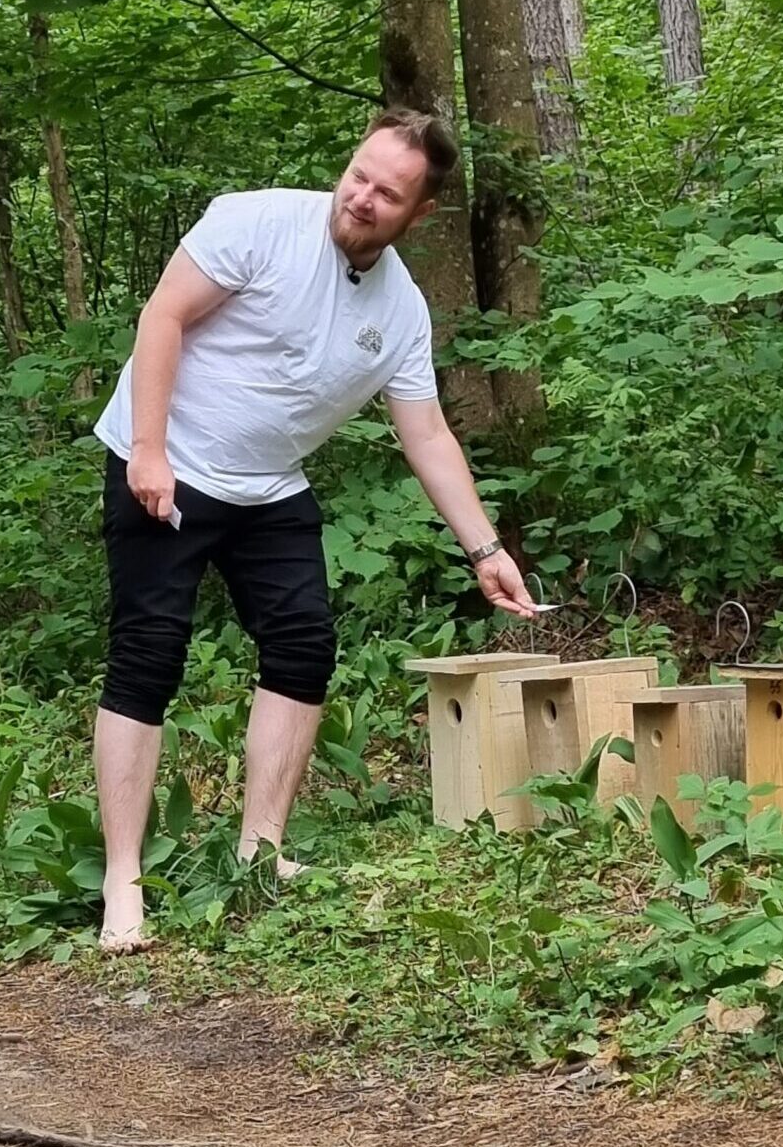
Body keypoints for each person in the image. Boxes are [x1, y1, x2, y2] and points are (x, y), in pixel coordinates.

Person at [91, 109, 538, 949]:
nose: (362, 198)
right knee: (149, 655)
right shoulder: (257, 222)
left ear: (419, 213)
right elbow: (162, 318)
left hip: (268, 487)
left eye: (388, 193)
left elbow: (428, 432)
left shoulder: (401, 308)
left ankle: (261, 851)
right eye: (359, 175)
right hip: (168, 464)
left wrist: (486, 550)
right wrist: (148, 451)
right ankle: (124, 881)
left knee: (302, 645)